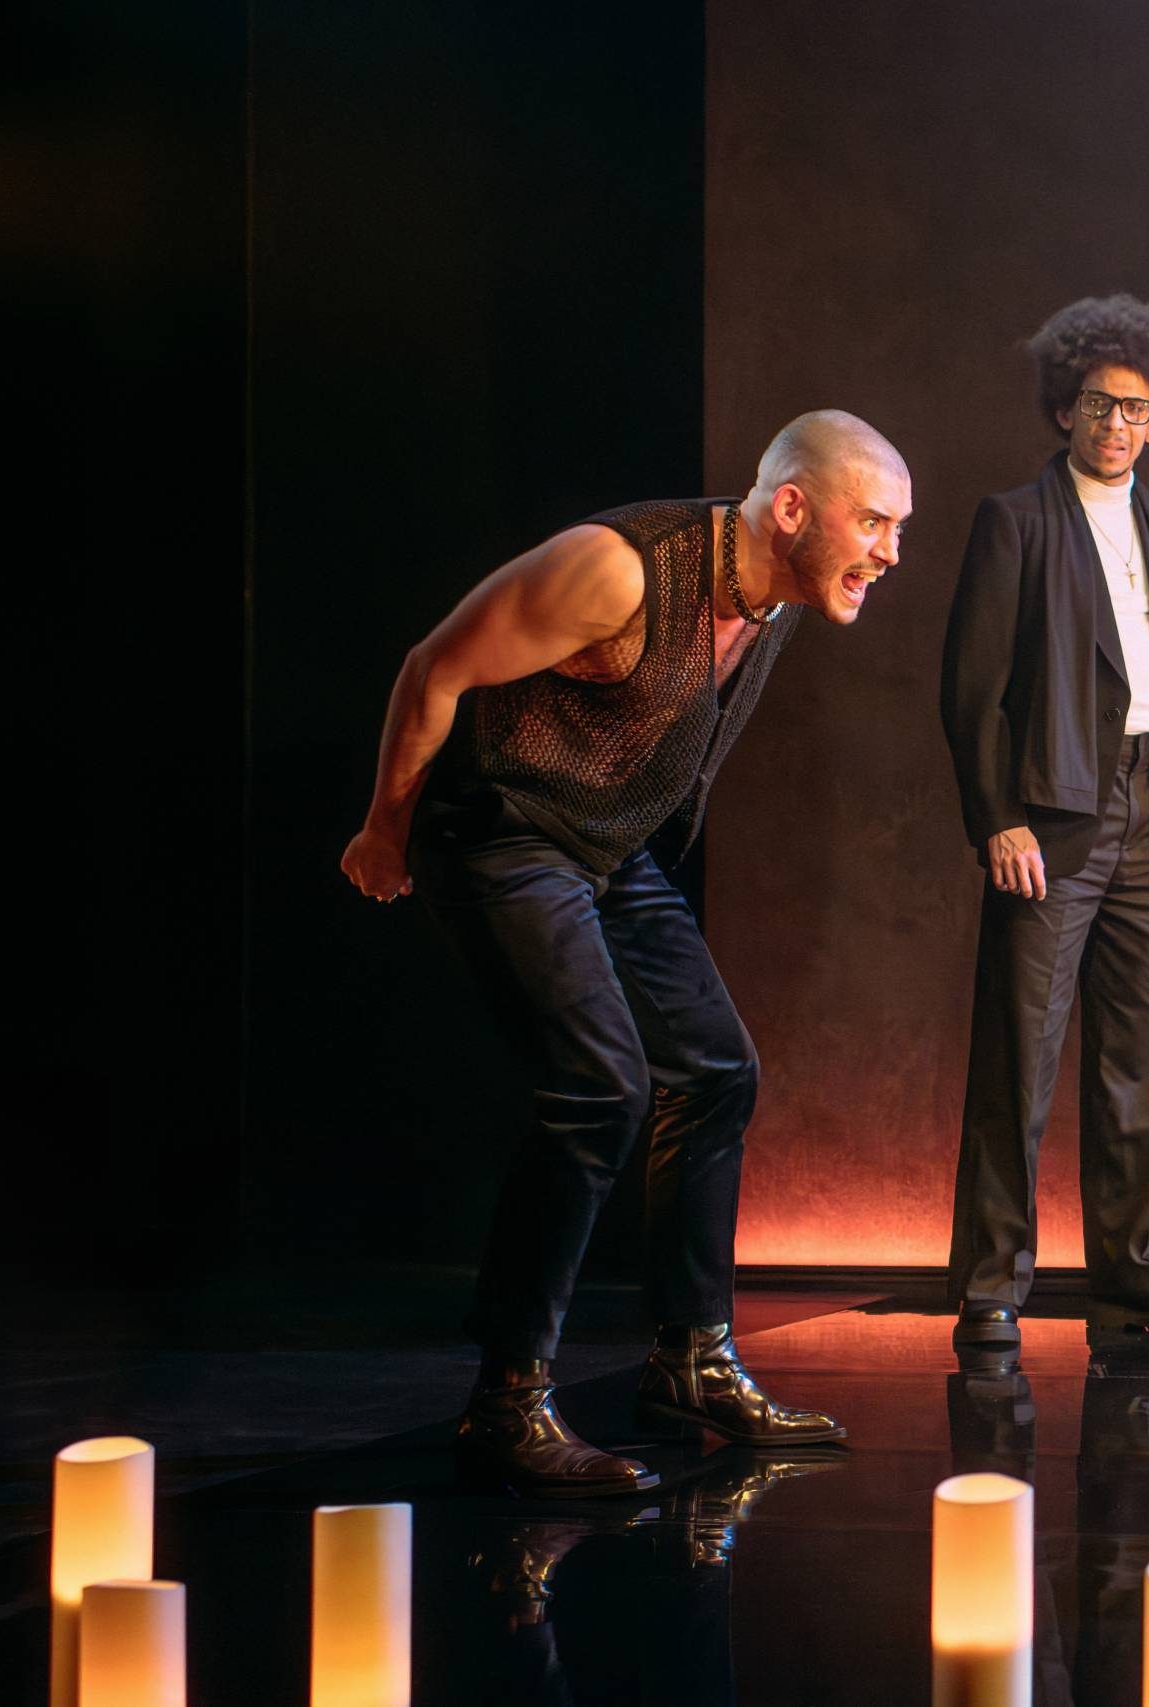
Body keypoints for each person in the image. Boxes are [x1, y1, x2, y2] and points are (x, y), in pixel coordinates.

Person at [340, 410, 911, 1494]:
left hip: (606, 843)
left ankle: (690, 1360)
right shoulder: (619, 572)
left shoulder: (777, 593)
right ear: (793, 508)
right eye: (874, 522)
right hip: (504, 829)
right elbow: (434, 666)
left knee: (716, 1070)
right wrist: (384, 828)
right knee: (601, 1086)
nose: (889, 553)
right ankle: (506, 1400)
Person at [940, 295, 1149, 1347]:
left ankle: (1133, 1270)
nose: (1117, 425)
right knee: (1020, 1053)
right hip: (1054, 810)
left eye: (1137, 410)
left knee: (1147, 1050)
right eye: (1101, 404)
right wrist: (997, 818)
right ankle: (991, 1283)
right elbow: (972, 691)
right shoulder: (1015, 520)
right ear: (1065, 407)